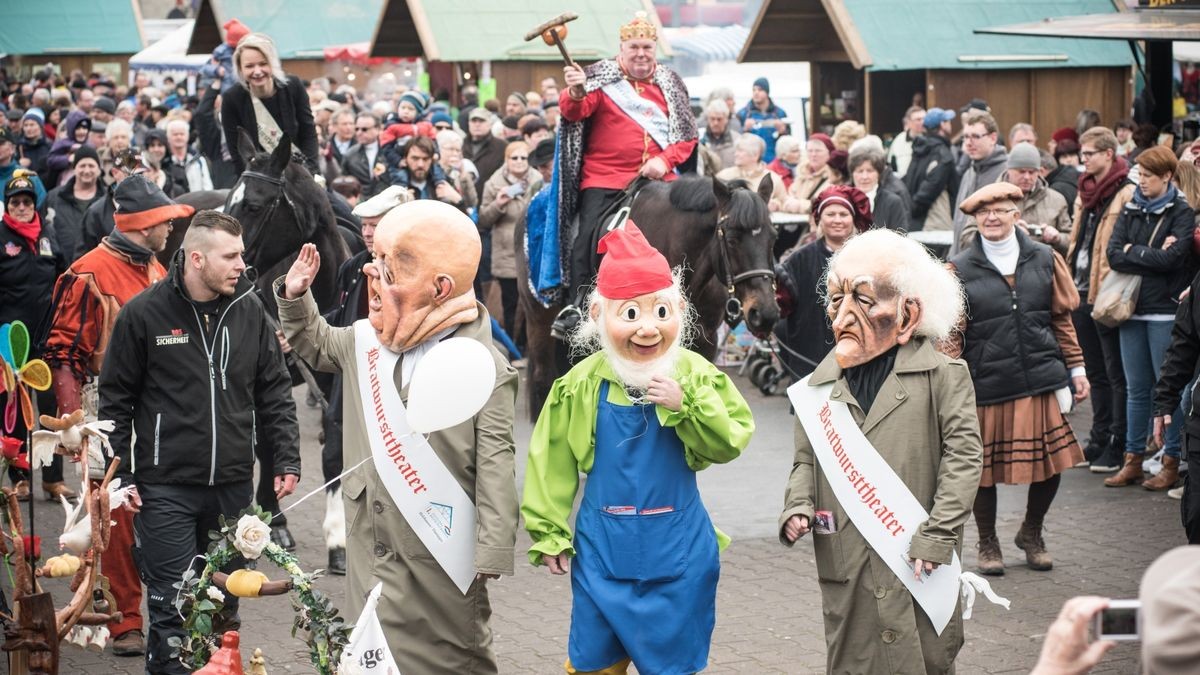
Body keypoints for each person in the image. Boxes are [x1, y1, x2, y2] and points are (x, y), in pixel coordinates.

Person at [278, 200, 518, 673]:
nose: (373, 279)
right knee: (372, 648)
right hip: (372, 538)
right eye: (376, 264)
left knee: (453, 654)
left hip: (439, 542)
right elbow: (318, 343)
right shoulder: (367, 339)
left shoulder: (483, 362)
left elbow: (496, 459)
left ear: (440, 287)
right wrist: (295, 297)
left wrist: (493, 544)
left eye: (392, 270)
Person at [523, 221, 752, 674]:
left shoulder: (696, 375)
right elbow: (551, 460)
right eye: (630, 314)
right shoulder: (579, 385)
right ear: (598, 315)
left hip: (679, 555)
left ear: (679, 309)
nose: (647, 329)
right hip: (603, 555)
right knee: (591, 663)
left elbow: (730, 440)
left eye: (660, 313)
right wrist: (548, 531)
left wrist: (687, 407)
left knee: (672, 665)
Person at [99, 209, 300, 673]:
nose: (241, 266)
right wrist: (121, 478)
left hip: (232, 490)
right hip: (164, 488)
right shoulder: (143, 314)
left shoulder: (249, 309)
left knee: (223, 606)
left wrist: (286, 457)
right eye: (230, 256)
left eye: (242, 255)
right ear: (195, 259)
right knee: (174, 606)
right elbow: (114, 404)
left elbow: (274, 392)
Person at [780, 227, 981, 674]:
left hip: (918, 558)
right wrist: (798, 504)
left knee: (924, 658)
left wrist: (937, 535)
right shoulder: (819, 387)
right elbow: (805, 459)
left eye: (864, 300)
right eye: (836, 300)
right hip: (848, 560)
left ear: (909, 312)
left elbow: (964, 462)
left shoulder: (945, 376)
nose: (843, 316)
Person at [43, 175, 192, 658]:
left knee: (158, 508)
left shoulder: (156, 266)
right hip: (104, 408)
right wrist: (71, 424)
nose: (171, 227)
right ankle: (124, 617)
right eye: (164, 219)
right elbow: (63, 353)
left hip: (160, 407)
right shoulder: (89, 273)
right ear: (143, 223)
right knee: (115, 516)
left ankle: (164, 611)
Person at [948, 183, 1089, 575]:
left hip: (1041, 379)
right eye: (984, 212)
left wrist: (1076, 368)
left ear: (1016, 214)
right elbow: (950, 337)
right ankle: (988, 542)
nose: (992, 217)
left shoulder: (1045, 258)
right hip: (986, 382)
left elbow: (1061, 319)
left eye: (1001, 209)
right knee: (981, 471)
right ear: (975, 220)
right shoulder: (958, 269)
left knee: (1051, 464)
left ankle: (1032, 532)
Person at [550, 11, 698, 338]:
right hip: (606, 180)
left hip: (660, 180)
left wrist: (665, 159)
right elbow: (574, 111)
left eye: (646, 47)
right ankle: (578, 303)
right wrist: (575, 91)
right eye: (634, 48)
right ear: (622, 48)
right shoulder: (599, 78)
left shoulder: (671, 83)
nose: (641, 53)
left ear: (654, 48)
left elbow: (687, 135)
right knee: (586, 236)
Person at [316, 185, 412, 575]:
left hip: (398, 382)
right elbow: (339, 318)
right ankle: (338, 535)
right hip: (352, 379)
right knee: (336, 450)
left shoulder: (415, 268)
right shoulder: (352, 267)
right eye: (366, 225)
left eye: (376, 225)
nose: (367, 232)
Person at [1103, 146, 1196, 490]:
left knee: (1165, 389)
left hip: (1163, 310)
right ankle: (1133, 460)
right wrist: (1148, 254)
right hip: (1131, 309)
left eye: (1148, 176)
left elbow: (1172, 259)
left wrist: (1134, 251)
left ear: (1167, 177)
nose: (1141, 181)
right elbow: (1114, 254)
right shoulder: (1131, 207)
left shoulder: (1182, 212)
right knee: (1136, 388)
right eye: (1139, 174)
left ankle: (1170, 463)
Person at [1068, 127, 1135, 473]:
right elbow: (1078, 239)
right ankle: (1098, 437)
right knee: (1095, 370)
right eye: (1082, 153)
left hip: (1107, 293)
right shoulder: (1086, 192)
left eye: (1090, 153)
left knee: (1115, 372)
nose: (1084, 160)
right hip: (1080, 290)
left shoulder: (1126, 192)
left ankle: (1118, 441)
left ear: (1109, 154)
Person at [0, 174, 69, 501]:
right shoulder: (1, 237)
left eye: (27, 201)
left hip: (47, 338)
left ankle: (53, 481)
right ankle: (20, 477)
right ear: (8, 206)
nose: (23, 207)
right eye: (16, 202)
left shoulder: (48, 236)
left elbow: (64, 280)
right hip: (10, 341)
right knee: (14, 412)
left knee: (50, 411)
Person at [774, 185, 871, 377]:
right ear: (819, 219)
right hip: (808, 357)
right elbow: (781, 305)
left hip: (860, 359)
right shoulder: (799, 260)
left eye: (843, 214)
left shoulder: (869, 258)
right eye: (830, 214)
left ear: (853, 219)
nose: (837, 220)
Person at [220, 33, 319, 175]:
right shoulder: (232, 98)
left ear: (273, 64)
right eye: (249, 66)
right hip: (259, 179)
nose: (257, 71)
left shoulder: (293, 86)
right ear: (240, 69)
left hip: (301, 172)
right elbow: (236, 150)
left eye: (263, 64)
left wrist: (311, 169)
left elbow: (308, 131)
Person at [960, 143, 1072, 254]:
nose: (1027, 177)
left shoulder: (1057, 200)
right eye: (1021, 171)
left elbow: (1072, 242)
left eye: (1032, 172)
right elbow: (966, 240)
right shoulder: (987, 197)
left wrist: (1058, 238)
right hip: (996, 267)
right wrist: (1004, 233)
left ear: (1039, 172)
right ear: (1009, 170)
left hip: (1041, 268)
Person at [479, 140, 541, 338]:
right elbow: (484, 219)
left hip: (532, 250)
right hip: (506, 253)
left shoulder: (539, 179)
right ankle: (515, 346)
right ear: (507, 160)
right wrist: (498, 204)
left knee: (532, 303)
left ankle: (529, 345)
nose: (520, 161)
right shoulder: (493, 183)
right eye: (515, 157)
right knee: (511, 303)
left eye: (524, 157)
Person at [952, 111, 1009, 255]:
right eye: (965, 137)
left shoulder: (1006, 173)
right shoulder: (969, 172)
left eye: (976, 136)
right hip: (962, 261)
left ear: (993, 138)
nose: (969, 142)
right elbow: (959, 221)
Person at [44, 144, 104, 262]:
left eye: (91, 166)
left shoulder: (107, 200)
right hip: (61, 270)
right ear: (74, 168)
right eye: (82, 165)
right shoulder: (54, 197)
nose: (87, 170)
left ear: (98, 170)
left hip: (97, 271)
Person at [905, 107, 957, 232]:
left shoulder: (920, 148)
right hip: (934, 224)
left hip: (915, 223)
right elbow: (928, 190)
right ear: (942, 125)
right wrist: (913, 209)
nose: (950, 124)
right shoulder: (942, 155)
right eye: (948, 121)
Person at [715, 134, 786, 211]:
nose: (736, 154)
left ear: (755, 155)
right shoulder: (723, 176)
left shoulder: (773, 179)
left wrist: (777, 205)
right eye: (736, 150)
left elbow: (785, 203)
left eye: (740, 151)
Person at [387, 136, 462, 206]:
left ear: (432, 160)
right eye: (415, 158)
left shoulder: (444, 183)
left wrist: (458, 201)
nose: (420, 164)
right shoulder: (390, 182)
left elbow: (466, 218)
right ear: (405, 158)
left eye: (425, 159)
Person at [849, 147, 908, 231]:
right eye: (860, 171)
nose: (864, 177)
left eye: (870, 171)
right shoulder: (843, 199)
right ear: (852, 174)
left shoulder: (893, 202)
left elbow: (900, 237)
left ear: (879, 174)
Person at [736, 77, 788, 163]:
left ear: (767, 92)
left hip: (774, 162)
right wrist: (744, 130)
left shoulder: (779, 113)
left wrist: (782, 132)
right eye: (754, 90)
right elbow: (735, 140)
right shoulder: (743, 114)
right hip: (751, 162)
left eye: (760, 90)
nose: (756, 93)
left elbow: (787, 142)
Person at [784, 133, 836, 215]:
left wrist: (799, 206)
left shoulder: (834, 177)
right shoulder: (802, 174)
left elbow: (827, 204)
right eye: (810, 151)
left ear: (829, 153)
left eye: (818, 151)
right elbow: (788, 196)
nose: (813, 154)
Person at [435, 129, 480, 218]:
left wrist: (463, 174)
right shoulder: (434, 170)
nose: (455, 153)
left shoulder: (459, 171)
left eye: (458, 150)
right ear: (439, 149)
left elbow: (472, 202)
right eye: (451, 149)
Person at [463, 107, 506, 198]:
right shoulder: (460, 145)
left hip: (490, 199)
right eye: (474, 121)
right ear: (469, 124)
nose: (477, 124)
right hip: (464, 200)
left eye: (481, 121)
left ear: (490, 124)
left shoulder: (502, 147)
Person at [162, 118, 213, 194]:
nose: (179, 137)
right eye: (175, 134)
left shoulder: (199, 160)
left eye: (182, 134)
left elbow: (208, 186)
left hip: (198, 202)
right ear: (168, 137)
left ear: (187, 136)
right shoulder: (164, 161)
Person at [341, 112, 384, 198]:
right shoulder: (350, 155)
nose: (359, 133)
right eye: (357, 129)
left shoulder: (389, 152)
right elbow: (345, 184)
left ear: (378, 129)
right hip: (361, 204)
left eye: (364, 129)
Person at [886, 106, 925, 178]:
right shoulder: (899, 140)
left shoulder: (931, 139)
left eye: (924, 119)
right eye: (918, 119)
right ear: (909, 122)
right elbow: (890, 165)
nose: (923, 122)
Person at [700, 99, 739, 170]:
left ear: (726, 119)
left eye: (719, 119)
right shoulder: (700, 139)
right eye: (712, 119)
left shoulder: (737, 140)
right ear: (708, 119)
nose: (715, 123)